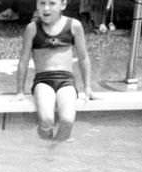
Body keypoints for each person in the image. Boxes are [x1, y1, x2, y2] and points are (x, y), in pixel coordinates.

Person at [15, 0, 94, 142]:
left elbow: (83, 58)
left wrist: (87, 87)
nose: (46, 8)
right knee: (46, 119)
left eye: (52, 3)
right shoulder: (32, 28)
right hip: (43, 81)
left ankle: (54, 151)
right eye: (42, 3)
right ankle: (44, 146)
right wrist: (20, 91)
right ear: (37, 5)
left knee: (68, 120)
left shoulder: (74, 26)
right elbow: (24, 60)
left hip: (66, 81)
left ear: (63, 5)